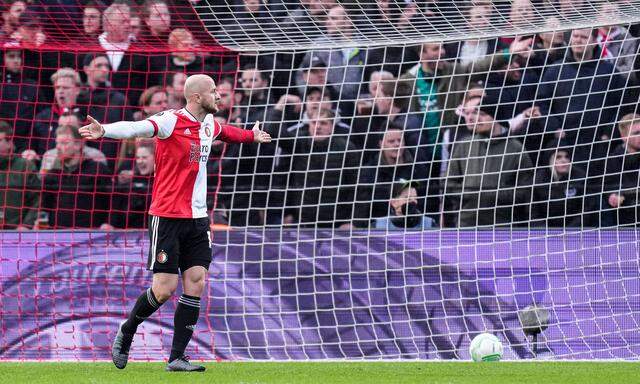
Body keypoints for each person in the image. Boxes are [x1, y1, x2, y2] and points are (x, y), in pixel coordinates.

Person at [79, 74, 271, 372]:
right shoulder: (170, 121)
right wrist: (104, 130)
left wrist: (251, 135)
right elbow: (136, 128)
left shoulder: (209, 124)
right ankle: (128, 330)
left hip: (198, 219)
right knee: (164, 289)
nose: (219, 97)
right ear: (196, 97)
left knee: (196, 282)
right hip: (167, 217)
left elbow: (227, 133)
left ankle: (177, 357)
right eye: (213, 92)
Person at [602, 113, 640, 227]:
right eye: (636, 133)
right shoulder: (613, 160)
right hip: (626, 221)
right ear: (623, 137)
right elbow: (607, 188)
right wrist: (612, 196)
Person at [0, 121, 39, 229]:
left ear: (9, 142)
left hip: (17, 234)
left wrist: (26, 225)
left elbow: (37, 200)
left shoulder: (25, 166)